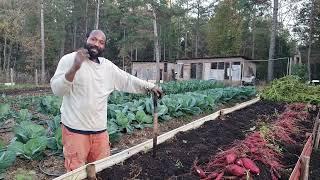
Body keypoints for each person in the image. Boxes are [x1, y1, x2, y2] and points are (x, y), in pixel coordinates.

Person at [50, 30, 163, 171]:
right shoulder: (69, 60)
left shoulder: (107, 67)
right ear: (86, 39)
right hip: (75, 131)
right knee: (75, 173)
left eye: (101, 42)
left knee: (103, 170)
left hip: (99, 131)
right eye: (93, 39)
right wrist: (74, 68)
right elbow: (57, 90)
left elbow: (127, 79)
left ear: (104, 46)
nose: (96, 44)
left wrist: (150, 87)